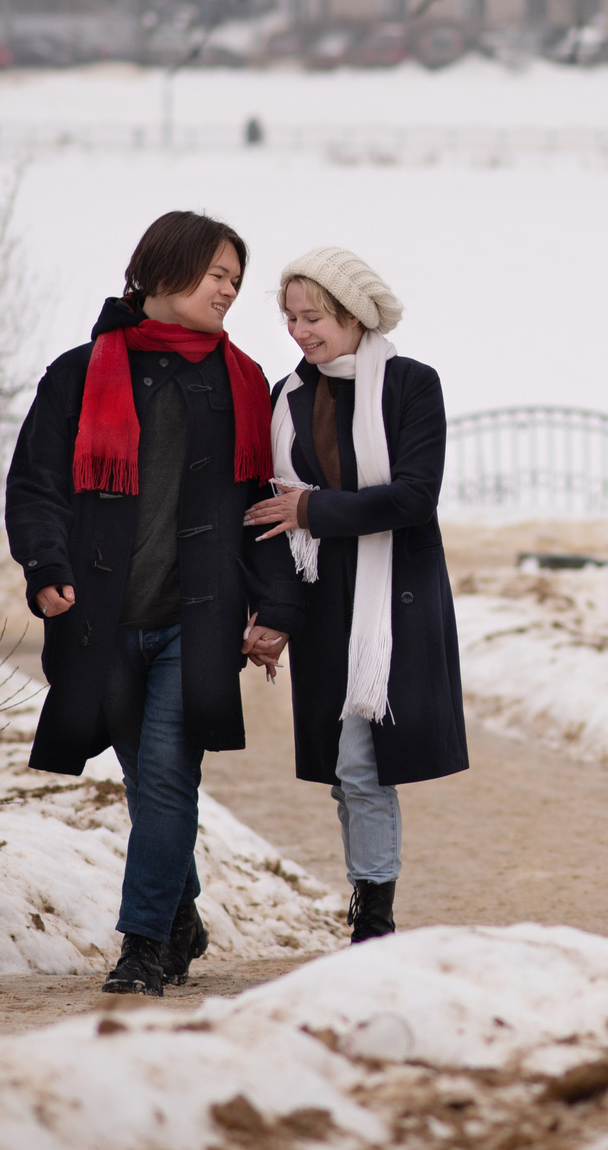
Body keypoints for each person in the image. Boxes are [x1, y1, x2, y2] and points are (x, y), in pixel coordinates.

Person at [5, 210, 279, 996]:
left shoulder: (242, 383)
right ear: (163, 272)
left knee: (164, 776)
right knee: (147, 784)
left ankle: (144, 946)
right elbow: (36, 486)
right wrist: (45, 565)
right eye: (216, 272)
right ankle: (181, 912)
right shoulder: (78, 372)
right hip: (99, 623)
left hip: (197, 621)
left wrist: (273, 610)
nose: (229, 287)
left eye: (235, 277)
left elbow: (262, 508)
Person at [241, 246, 467, 943]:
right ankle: (370, 900)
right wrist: (274, 615)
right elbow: (269, 516)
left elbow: (412, 497)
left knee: (359, 764)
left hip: (391, 606)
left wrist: (313, 509)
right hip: (324, 608)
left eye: (314, 317)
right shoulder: (287, 398)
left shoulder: (409, 385)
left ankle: (374, 915)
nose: (301, 331)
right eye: (291, 317)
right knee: (349, 771)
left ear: (353, 314)